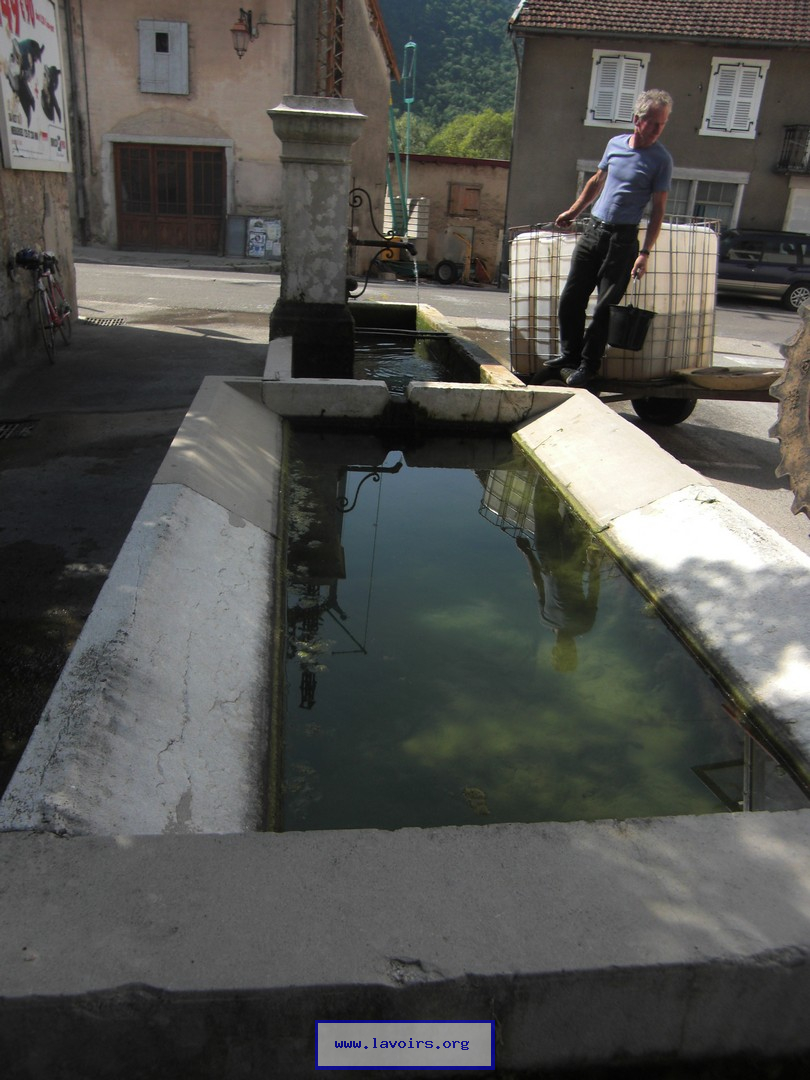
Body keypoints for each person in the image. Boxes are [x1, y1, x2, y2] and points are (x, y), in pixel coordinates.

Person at [544, 89, 673, 388]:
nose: (658, 129)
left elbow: (658, 210)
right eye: (653, 122)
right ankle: (570, 355)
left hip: (623, 241)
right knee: (571, 298)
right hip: (594, 231)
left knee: (604, 309)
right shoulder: (615, 145)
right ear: (637, 120)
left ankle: (588, 366)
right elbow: (596, 181)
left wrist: (645, 253)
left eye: (663, 124)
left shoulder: (661, 160)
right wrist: (573, 211)